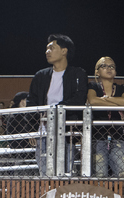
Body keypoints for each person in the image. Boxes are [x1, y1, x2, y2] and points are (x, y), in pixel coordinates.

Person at [26, 34, 87, 176]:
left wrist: (54, 109)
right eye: (47, 49)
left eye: (51, 48)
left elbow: (79, 98)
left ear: (64, 51)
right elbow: (31, 102)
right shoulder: (40, 76)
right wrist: (32, 129)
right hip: (44, 131)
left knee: (66, 172)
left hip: (67, 132)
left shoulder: (78, 73)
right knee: (45, 172)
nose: (47, 52)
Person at [87, 56, 124, 178]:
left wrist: (105, 100)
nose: (109, 68)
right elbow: (92, 101)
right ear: (97, 71)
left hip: (117, 136)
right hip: (98, 137)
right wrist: (116, 101)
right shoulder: (92, 87)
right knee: (99, 176)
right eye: (104, 66)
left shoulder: (123, 88)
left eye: (112, 66)